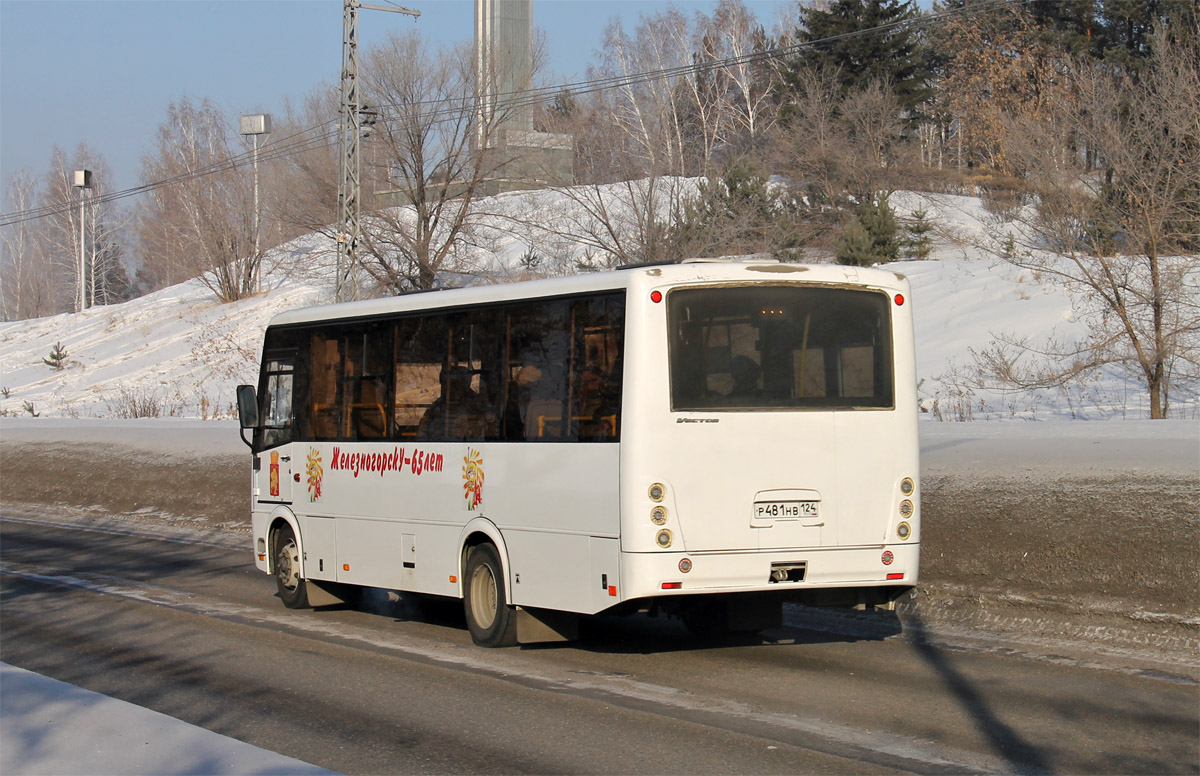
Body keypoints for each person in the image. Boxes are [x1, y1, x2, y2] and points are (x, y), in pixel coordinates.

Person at [418, 365, 493, 440]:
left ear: (464, 387)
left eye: (456, 385)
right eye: (448, 384)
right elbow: (421, 437)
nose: (452, 389)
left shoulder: (474, 408)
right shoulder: (435, 409)